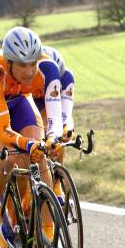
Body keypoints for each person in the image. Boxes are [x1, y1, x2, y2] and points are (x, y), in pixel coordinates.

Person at [0, 26, 64, 248]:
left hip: (18, 99)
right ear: (9, 62)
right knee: (9, 157)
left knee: (38, 157)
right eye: (22, 65)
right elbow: (3, 131)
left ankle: (47, 231)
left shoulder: (47, 68)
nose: (29, 71)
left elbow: (53, 113)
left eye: (33, 63)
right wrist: (26, 144)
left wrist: (51, 139)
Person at [37, 45, 77, 203]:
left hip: (53, 105)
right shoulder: (38, 76)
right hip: (36, 102)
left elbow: (65, 112)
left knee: (58, 140)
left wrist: (67, 129)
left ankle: (57, 182)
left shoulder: (67, 78)